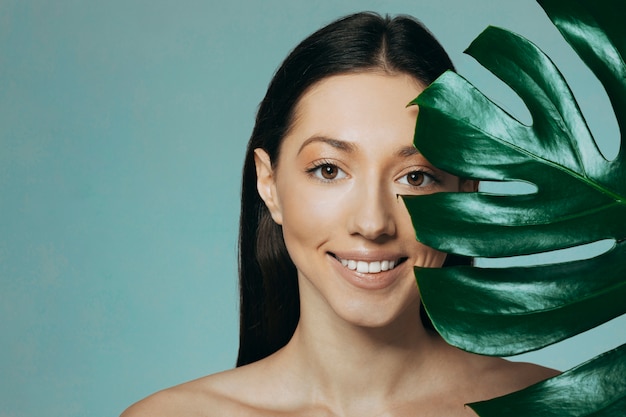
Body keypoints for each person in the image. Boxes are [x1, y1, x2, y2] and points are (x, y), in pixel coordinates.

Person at [122, 12, 558, 417]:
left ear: (465, 192)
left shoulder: (559, 408)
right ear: (269, 185)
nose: (372, 224)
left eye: (416, 177)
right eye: (329, 170)